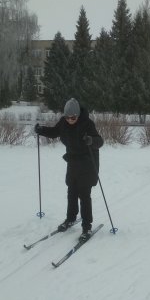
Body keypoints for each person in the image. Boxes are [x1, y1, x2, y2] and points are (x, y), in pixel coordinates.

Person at [34, 98, 104, 242]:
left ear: (78, 115)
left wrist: (91, 140)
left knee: (84, 195)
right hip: (72, 162)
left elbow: (99, 141)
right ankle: (70, 218)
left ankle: (87, 227)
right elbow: (54, 132)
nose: (70, 120)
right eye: (67, 117)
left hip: (87, 164)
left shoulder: (87, 124)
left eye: (73, 117)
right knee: (71, 191)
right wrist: (41, 130)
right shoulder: (64, 123)